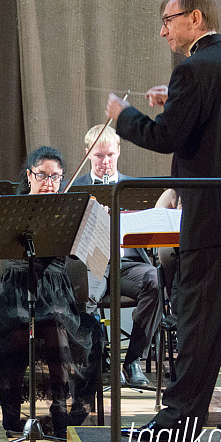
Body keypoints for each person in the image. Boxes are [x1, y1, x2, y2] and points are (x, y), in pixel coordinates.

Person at [107, 0, 221, 437]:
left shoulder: (194, 69)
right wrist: (176, 104)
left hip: (217, 218)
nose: (163, 30)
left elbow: (166, 139)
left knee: (199, 323)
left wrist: (123, 117)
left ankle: (177, 422)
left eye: (169, 20)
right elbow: (213, 127)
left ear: (196, 19)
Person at [0, 146, 102, 438]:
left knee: (59, 322)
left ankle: (61, 411)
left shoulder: (70, 211)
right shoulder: (12, 208)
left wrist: (95, 222)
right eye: (43, 175)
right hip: (15, 289)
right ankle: (11, 413)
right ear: (29, 175)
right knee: (28, 325)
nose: (49, 182)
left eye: (56, 177)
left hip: (56, 290)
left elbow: (91, 259)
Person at [69, 124, 161, 387]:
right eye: (98, 156)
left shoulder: (133, 188)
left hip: (126, 262)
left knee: (155, 280)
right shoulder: (74, 187)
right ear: (88, 154)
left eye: (110, 155)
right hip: (92, 260)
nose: (105, 161)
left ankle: (133, 361)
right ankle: (99, 361)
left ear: (119, 152)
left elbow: (149, 231)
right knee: (85, 295)